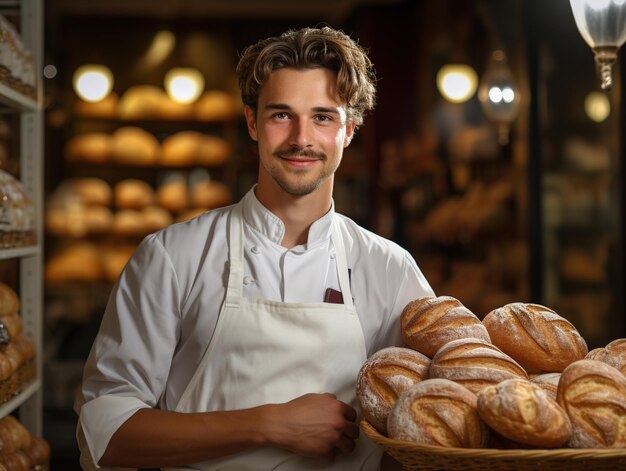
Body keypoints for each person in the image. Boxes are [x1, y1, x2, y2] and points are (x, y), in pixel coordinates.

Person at [75, 25, 434, 471]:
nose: (301, 138)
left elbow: (428, 423)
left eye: (323, 117)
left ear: (350, 130)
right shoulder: (172, 256)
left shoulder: (390, 268)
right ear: (252, 122)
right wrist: (269, 424)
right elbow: (106, 433)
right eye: (281, 115)